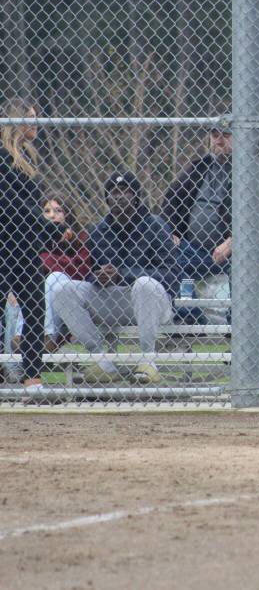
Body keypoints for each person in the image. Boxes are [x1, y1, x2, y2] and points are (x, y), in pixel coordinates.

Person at [52, 172, 179, 384]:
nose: (119, 197)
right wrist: (97, 277)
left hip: (150, 302)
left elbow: (171, 275)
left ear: (136, 197)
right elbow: (85, 271)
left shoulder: (156, 225)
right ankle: (101, 360)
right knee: (60, 288)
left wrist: (122, 275)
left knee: (144, 283)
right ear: (107, 198)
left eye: (126, 192)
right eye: (114, 193)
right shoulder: (98, 230)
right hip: (110, 301)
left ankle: (148, 361)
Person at [0, 98, 64, 399]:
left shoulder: (27, 156)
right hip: (5, 245)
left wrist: (45, 231)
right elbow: (12, 206)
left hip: (25, 247)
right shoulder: (2, 157)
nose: (35, 123)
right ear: (15, 123)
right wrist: (51, 228)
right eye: (29, 118)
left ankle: (33, 378)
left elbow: (28, 208)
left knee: (35, 311)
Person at [7, 195, 91, 355]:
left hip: (68, 296)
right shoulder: (33, 238)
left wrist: (45, 260)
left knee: (54, 278)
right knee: (21, 292)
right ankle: (19, 342)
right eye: (47, 211)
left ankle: (47, 336)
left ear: (68, 214)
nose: (52, 215)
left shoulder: (80, 237)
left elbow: (80, 270)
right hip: (37, 297)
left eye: (58, 210)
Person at [161, 115, 233, 281]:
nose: (219, 141)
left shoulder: (249, 171)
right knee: (166, 258)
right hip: (191, 250)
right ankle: (190, 308)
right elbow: (171, 200)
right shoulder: (198, 167)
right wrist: (170, 232)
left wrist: (232, 242)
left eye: (226, 136)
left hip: (230, 254)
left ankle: (235, 308)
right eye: (215, 136)